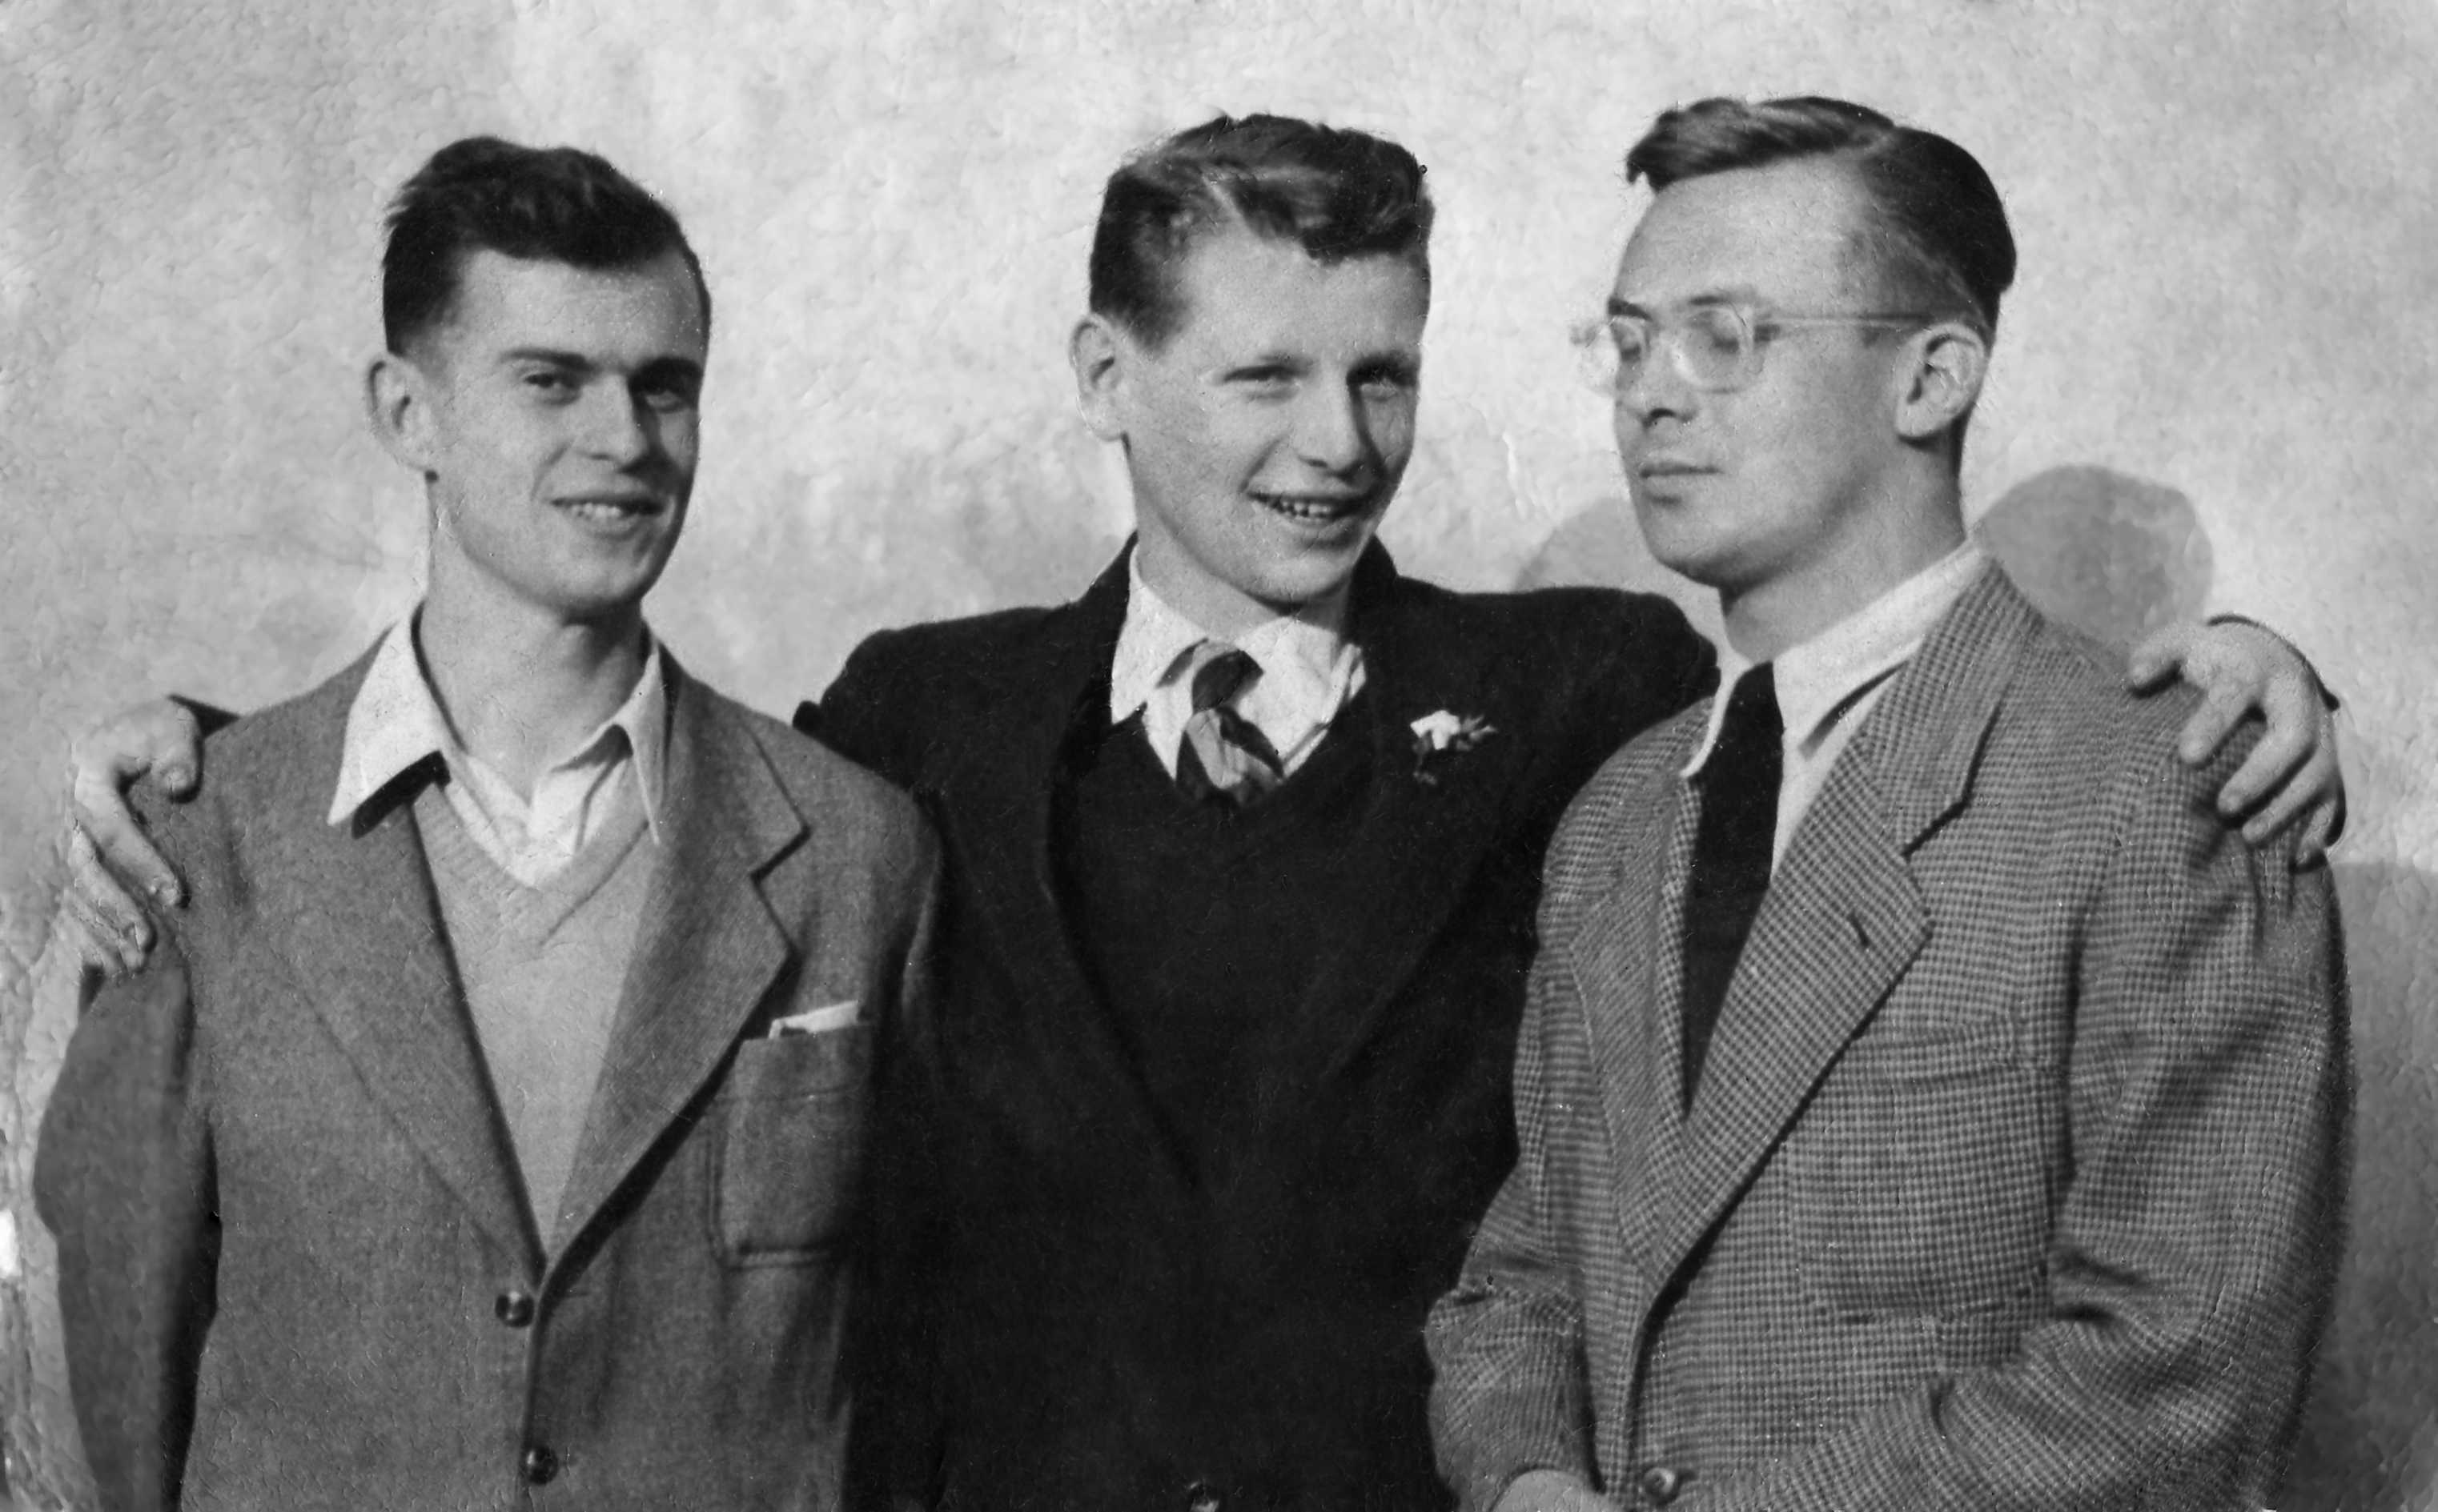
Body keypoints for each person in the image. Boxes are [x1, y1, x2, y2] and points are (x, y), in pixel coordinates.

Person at [57, 116, 2340, 1512]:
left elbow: (1888, 733)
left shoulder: (1588, 703)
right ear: (1106, 378)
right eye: (1261, 374)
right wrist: (197, 749)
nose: (1333, 444)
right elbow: (572, 790)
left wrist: (2235, 666)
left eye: (1381, 373)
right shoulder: (910, 732)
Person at [1426, 96, 2349, 1512]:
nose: (1649, 394)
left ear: (1930, 379)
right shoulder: (1617, 815)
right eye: (1627, 340)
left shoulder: (2162, 780)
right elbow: (1523, 1279)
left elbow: (2176, 1387)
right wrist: (1525, 1480)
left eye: (1723, 335)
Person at [34, 138, 936, 1511]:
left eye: (664, 385)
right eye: (549, 380)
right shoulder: (197, 846)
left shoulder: (856, 852)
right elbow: (115, 1357)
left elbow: (914, 1354)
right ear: (409, 413)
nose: (624, 438)